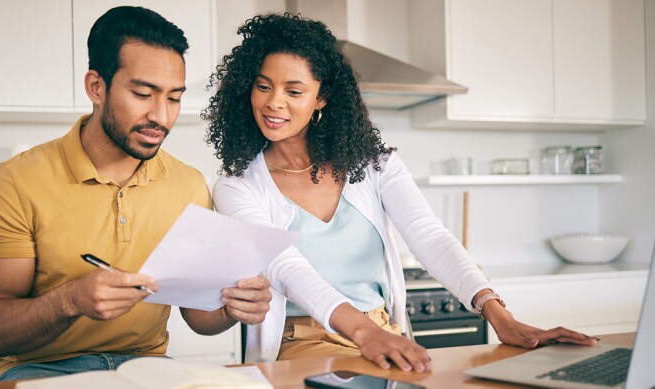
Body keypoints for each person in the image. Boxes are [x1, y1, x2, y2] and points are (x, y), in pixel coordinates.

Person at [203, 13, 597, 372]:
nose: (274, 102)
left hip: (383, 333)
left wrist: (501, 318)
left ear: (320, 99)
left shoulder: (374, 165)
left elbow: (430, 237)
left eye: (294, 91)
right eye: (263, 86)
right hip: (303, 344)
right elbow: (287, 269)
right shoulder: (237, 187)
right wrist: (363, 333)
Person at [0, 6, 271, 383]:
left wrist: (233, 306)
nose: (161, 117)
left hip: (147, 369)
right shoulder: (14, 182)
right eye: (143, 93)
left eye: (174, 98)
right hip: (39, 370)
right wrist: (71, 300)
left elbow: (199, 317)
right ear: (97, 87)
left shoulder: (188, 185)